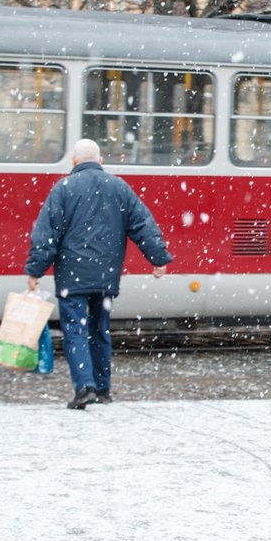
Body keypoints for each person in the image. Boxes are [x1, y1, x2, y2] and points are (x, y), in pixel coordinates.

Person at [24, 138, 173, 410]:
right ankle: (103, 389)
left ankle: (84, 389)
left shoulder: (64, 189)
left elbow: (46, 235)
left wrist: (35, 270)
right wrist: (158, 258)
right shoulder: (119, 188)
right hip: (105, 276)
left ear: (74, 161)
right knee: (100, 330)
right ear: (100, 161)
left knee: (75, 331)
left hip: (72, 278)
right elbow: (143, 224)